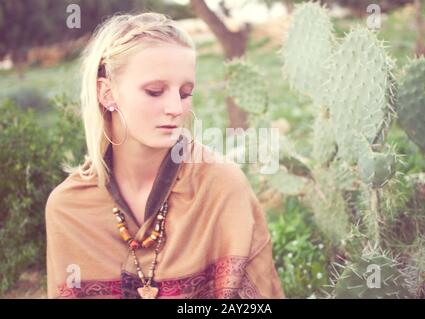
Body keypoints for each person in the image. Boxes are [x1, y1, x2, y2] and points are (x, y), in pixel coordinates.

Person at [45, 11, 284, 299]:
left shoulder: (222, 186)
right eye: (155, 91)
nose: (175, 108)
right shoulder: (68, 208)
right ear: (107, 93)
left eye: (185, 93)